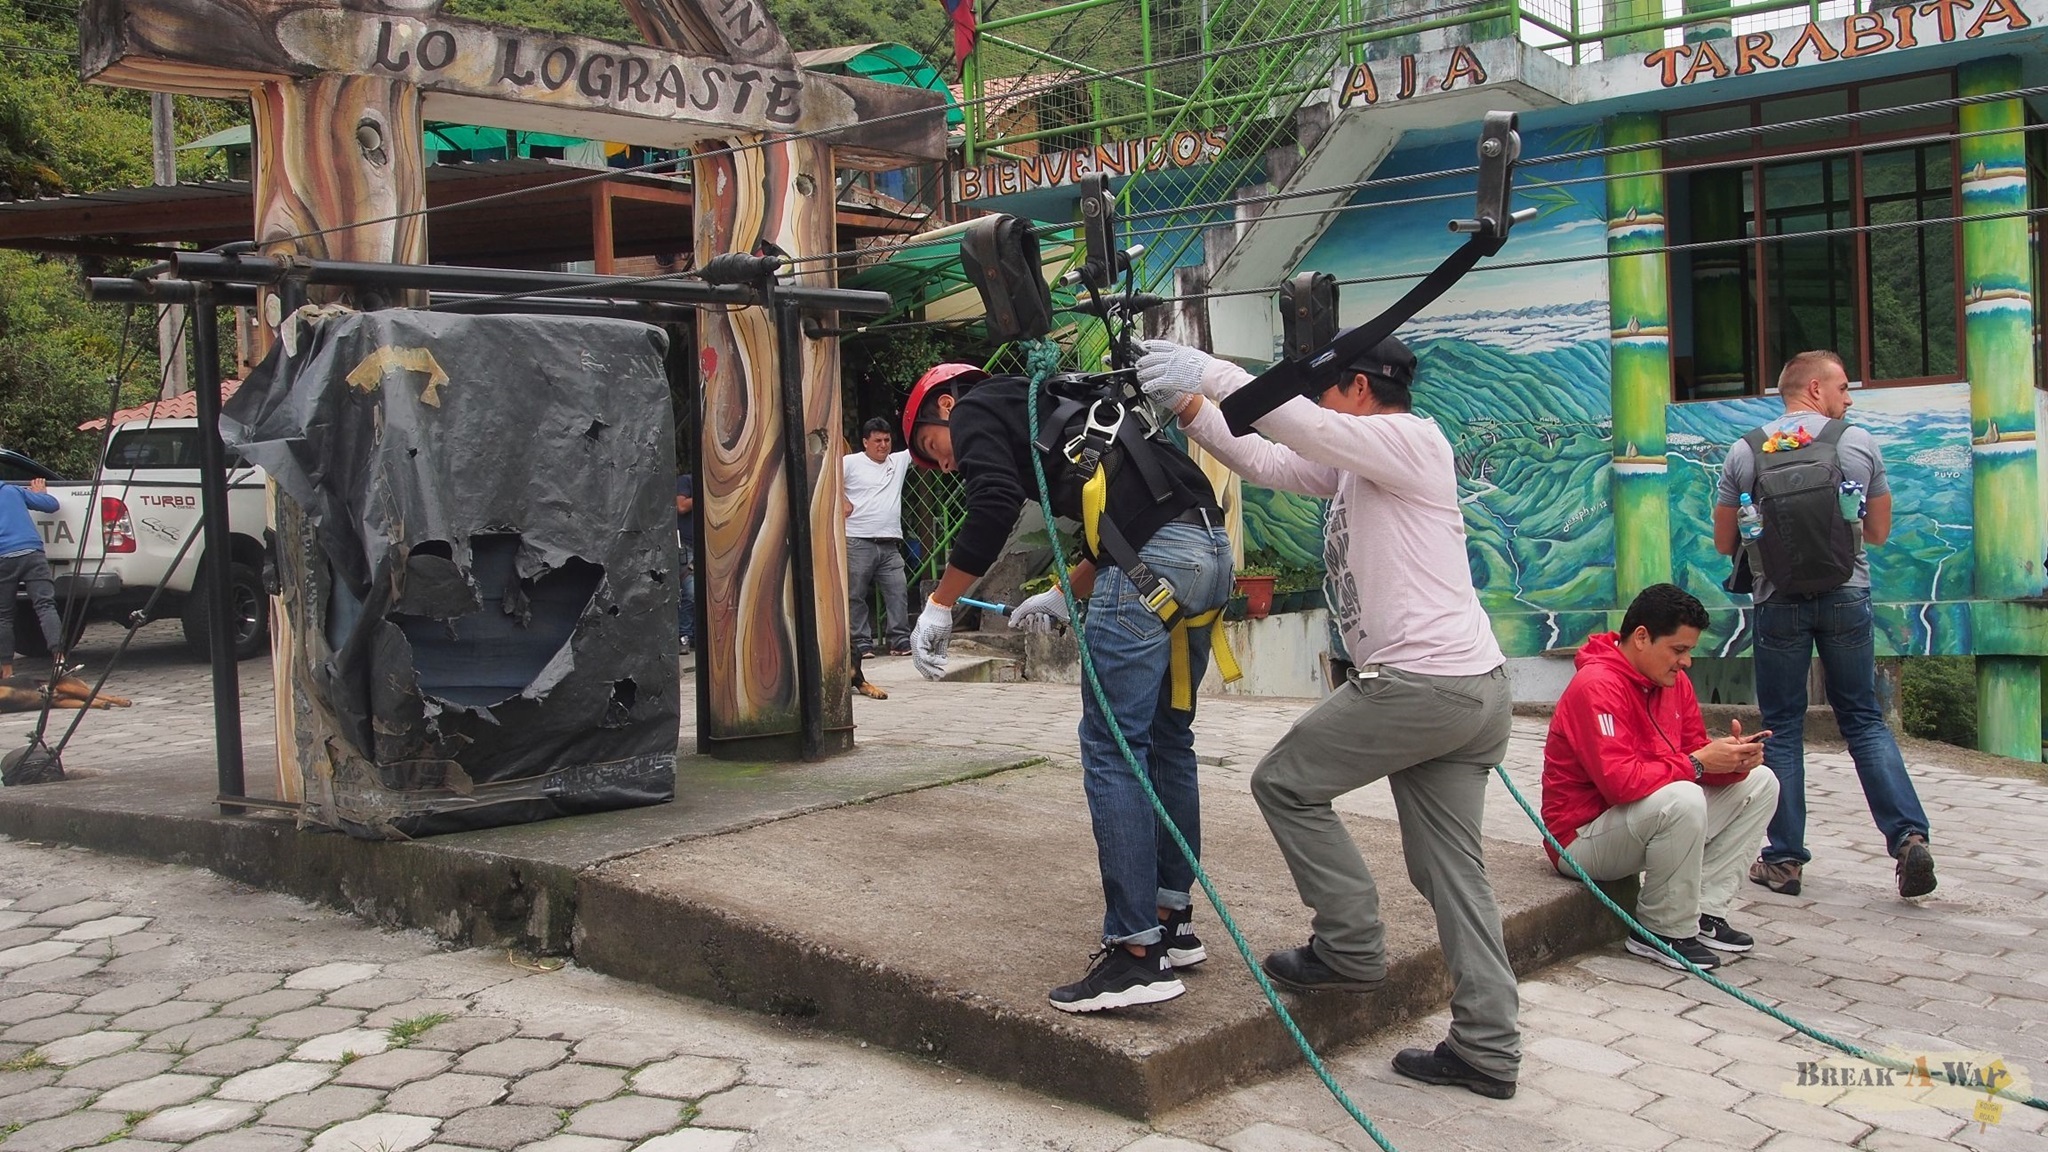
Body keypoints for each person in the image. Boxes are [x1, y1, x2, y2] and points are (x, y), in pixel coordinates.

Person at [1139, 335, 1521, 1101]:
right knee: (1451, 871)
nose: (1318, 401)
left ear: (1359, 387)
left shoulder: (1411, 439)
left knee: (1285, 783)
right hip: (1468, 690)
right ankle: (1488, 1046)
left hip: (1423, 686)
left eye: (1327, 387)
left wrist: (1208, 371)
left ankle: (1349, 947)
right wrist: (1189, 406)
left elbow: (1304, 426)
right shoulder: (1361, 462)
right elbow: (1270, 459)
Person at [902, 361, 1232, 1014]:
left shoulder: (977, 407)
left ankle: (1136, 954)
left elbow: (993, 504)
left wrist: (940, 604)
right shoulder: (1061, 402)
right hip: (1207, 551)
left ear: (944, 404)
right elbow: (1124, 510)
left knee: (1113, 748)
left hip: (1150, 565)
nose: (944, 464)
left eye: (929, 448)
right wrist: (1061, 595)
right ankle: (1171, 922)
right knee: (1168, 740)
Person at [1714, 350, 1936, 899]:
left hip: (1778, 602)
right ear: (1814, 388)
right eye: (1842, 388)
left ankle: (1784, 860)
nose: (1849, 399)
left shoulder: (1745, 450)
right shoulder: (1856, 442)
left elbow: (1724, 543)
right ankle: (1908, 838)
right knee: (1862, 718)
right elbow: (1877, 533)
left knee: (1782, 726)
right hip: (1846, 596)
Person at [1542, 584, 1778, 972]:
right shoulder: (1596, 685)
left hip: (1641, 820)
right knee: (1683, 797)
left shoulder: (1673, 681)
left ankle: (1705, 912)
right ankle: (1660, 931)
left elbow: (1694, 752)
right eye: (1678, 649)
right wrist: (1700, 763)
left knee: (1761, 782)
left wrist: (1734, 761)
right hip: (1580, 841)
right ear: (1641, 637)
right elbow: (1621, 783)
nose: (1686, 662)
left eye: (1689, 650)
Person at [842, 418, 914, 658]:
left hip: (890, 542)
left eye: (886, 440)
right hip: (857, 539)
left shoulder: (898, 461)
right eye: (877, 441)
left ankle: (900, 641)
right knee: (855, 594)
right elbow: (824, 478)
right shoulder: (850, 462)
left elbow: (920, 447)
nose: (883, 445)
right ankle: (861, 644)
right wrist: (842, 500)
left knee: (898, 591)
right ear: (865, 442)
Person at [0, 477, 69, 678]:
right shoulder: (12, 491)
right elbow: (52, 505)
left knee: (3, 615)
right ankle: (59, 659)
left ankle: (7, 671)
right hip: (32, 553)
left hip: (3, 558)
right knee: (45, 605)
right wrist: (40, 494)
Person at [675, 473, 695, 655]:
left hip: (708, 547)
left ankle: (694, 635)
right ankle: (684, 635)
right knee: (690, 592)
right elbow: (680, 506)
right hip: (687, 546)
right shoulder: (687, 481)